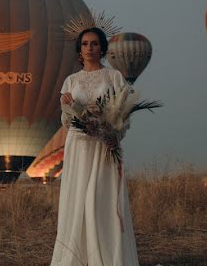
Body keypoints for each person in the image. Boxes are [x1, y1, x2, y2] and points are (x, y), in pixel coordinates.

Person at [51, 27, 140, 266]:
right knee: (80, 198)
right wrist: (73, 109)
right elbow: (66, 121)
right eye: (85, 44)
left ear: (102, 48)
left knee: (99, 199)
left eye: (94, 44)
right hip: (80, 146)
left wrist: (115, 135)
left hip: (103, 146)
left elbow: (123, 113)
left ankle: (108, 257)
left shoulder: (113, 77)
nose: (89, 48)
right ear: (79, 50)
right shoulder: (71, 80)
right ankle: (79, 257)